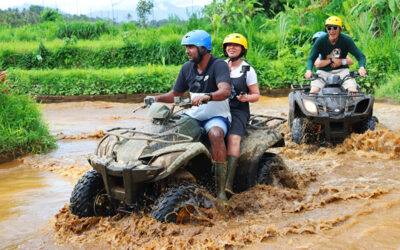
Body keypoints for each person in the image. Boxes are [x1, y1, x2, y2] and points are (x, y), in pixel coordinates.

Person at [146, 30, 232, 203]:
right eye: (186, 47)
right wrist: (156, 99)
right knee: (168, 130)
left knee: (215, 134)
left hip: (216, 116)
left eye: (191, 47)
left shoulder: (219, 65)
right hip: (193, 115)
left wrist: (207, 96)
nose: (187, 51)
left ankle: (221, 191)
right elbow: (174, 94)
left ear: (203, 48)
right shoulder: (187, 68)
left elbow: (225, 91)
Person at [222, 33, 260, 195]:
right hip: (218, 107)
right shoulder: (220, 65)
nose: (231, 48)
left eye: (235, 46)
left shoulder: (248, 69)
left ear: (242, 50)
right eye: (228, 45)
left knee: (233, 138)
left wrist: (246, 98)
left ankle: (228, 183)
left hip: (238, 110)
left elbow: (256, 95)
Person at [305, 16, 367, 93]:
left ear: (340, 29)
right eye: (329, 28)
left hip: (342, 71)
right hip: (323, 71)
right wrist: (308, 71)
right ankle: (313, 104)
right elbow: (311, 58)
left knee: (353, 91)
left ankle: (351, 104)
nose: (332, 31)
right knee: (314, 91)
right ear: (326, 30)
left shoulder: (346, 40)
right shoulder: (320, 40)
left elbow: (360, 56)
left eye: (335, 28)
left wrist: (361, 67)